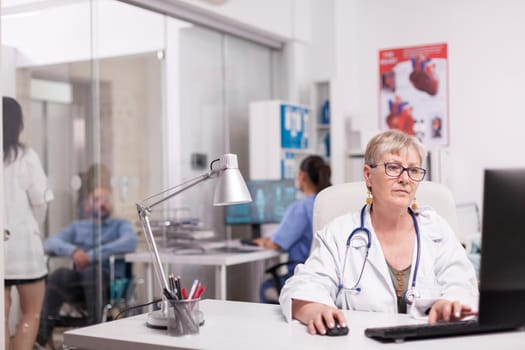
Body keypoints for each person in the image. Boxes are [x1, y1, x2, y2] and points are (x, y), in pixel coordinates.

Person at [279, 130, 478, 335]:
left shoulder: (437, 230)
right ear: (368, 175)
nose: (405, 179)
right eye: (393, 167)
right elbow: (304, 286)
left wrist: (451, 304)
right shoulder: (339, 233)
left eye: (414, 170)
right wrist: (316, 309)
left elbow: (464, 286)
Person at [36, 186, 137, 347]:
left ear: (112, 204)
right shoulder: (78, 227)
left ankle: (92, 337)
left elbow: (130, 242)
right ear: (87, 205)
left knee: (92, 272)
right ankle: (41, 337)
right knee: (59, 274)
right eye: (96, 200)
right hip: (80, 283)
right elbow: (50, 243)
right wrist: (73, 251)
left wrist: (90, 256)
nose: (102, 204)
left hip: (109, 282)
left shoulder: (120, 225)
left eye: (106, 200)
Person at [3, 97, 54, 350]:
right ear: (18, 124)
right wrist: (33, 224)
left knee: (0, 318)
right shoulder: (26, 157)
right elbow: (41, 202)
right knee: (30, 315)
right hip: (25, 249)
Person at [253, 155, 331, 303]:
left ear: (302, 176)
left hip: (302, 277)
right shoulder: (328, 203)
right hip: (327, 277)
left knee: (266, 287)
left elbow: (277, 244)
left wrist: (261, 242)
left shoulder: (301, 207)